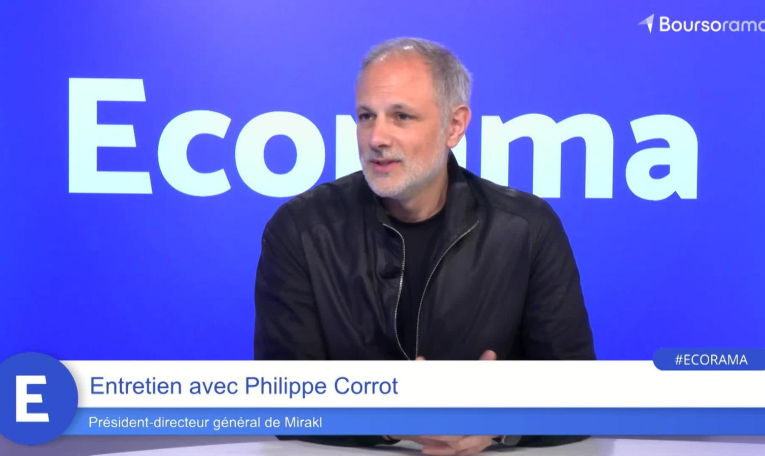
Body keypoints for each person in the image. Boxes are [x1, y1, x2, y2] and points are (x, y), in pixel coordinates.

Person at [254, 37, 596, 455]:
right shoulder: (300, 230)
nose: (376, 137)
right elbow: (282, 401)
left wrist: (500, 422)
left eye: (401, 116)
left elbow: (581, 399)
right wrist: (393, 419)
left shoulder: (527, 229)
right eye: (366, 116)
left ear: (455, 125)